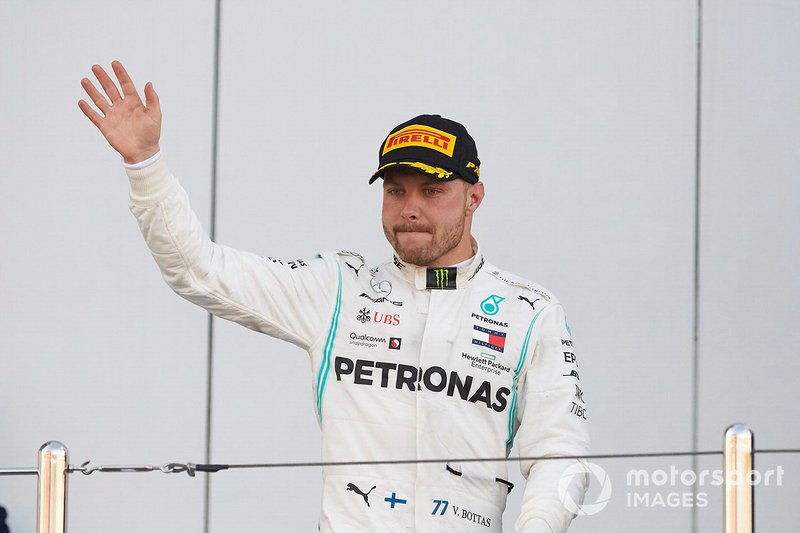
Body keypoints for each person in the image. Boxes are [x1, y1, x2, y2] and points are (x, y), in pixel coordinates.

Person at [79, 61, 590, 533]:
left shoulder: (531, 312)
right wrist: (145, 164)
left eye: (431, 192)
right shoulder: (339, 287)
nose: (409, 208)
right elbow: (199, 271)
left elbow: (559, 455)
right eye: (395, 190)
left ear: (474, 197)